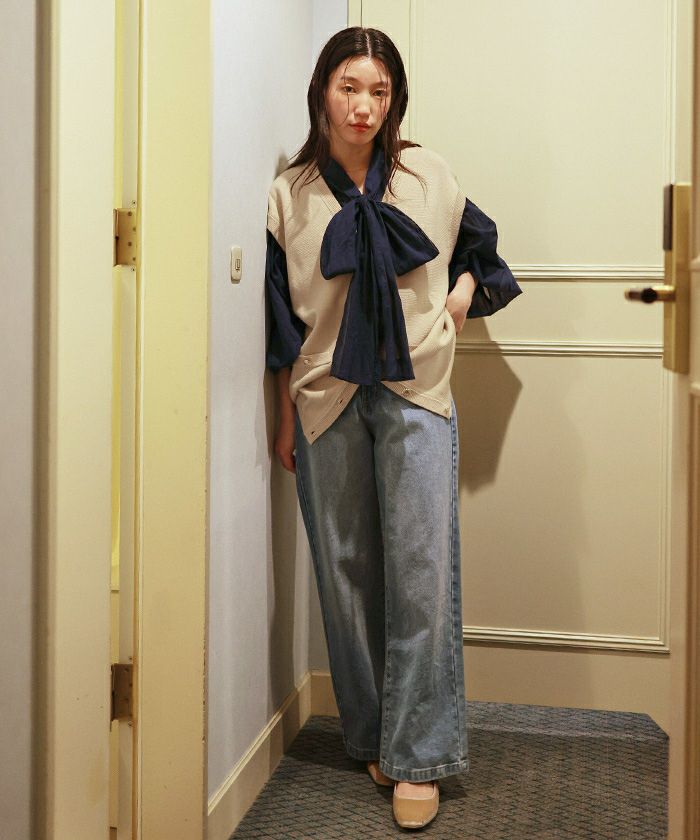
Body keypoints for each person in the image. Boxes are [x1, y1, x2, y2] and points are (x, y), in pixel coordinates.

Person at [264, 26, 522, 831]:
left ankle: (420, 756)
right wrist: (283, 416)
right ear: (322, 91)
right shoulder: (290, 195)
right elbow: (280, 322)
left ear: (395, 99)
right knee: (345, 573)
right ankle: (375, 733)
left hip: (418, 390)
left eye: (379, 91)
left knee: (422, 571)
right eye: (349, 87)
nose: (363, 106)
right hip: (325, 395)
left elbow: (481, 249)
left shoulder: (428, 176)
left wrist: (458, 298)